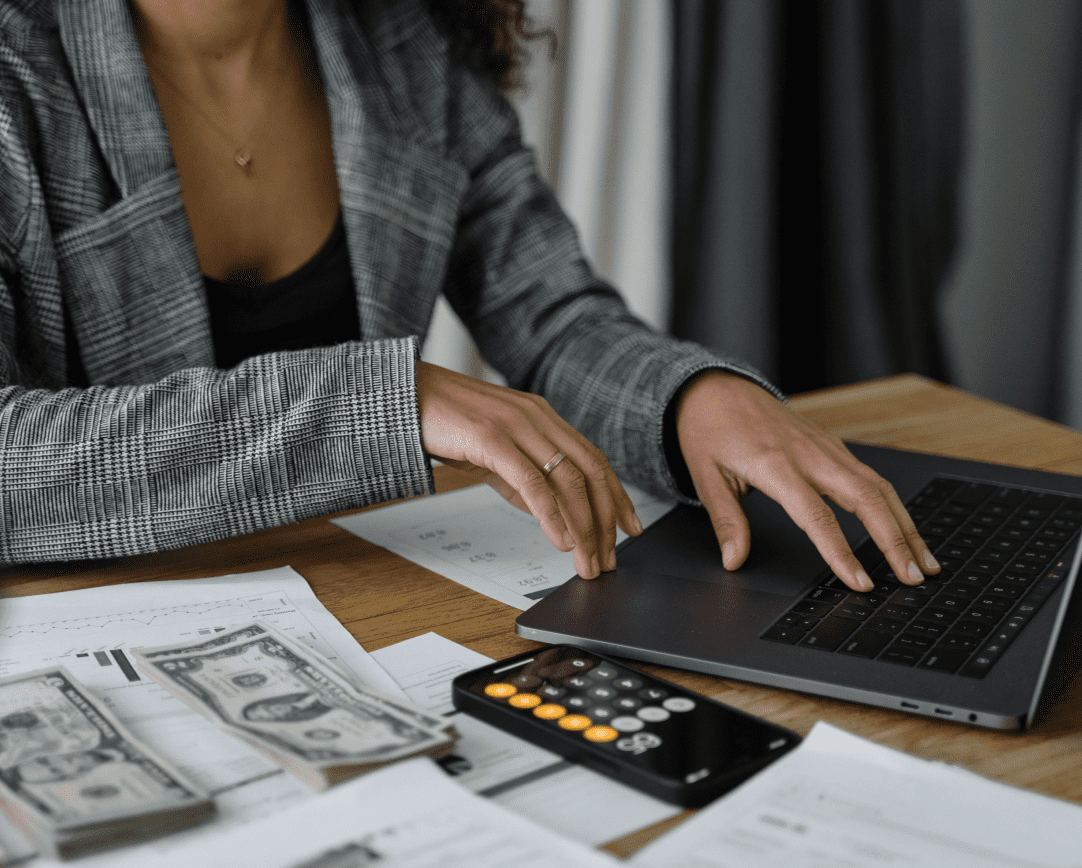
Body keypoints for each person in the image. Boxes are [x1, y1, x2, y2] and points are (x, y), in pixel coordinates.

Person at [0, 0, 938, 594]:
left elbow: (553, 315)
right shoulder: (18, 71)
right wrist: (387, 404)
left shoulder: (406, 40)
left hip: (359, 601)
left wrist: (691, 397)